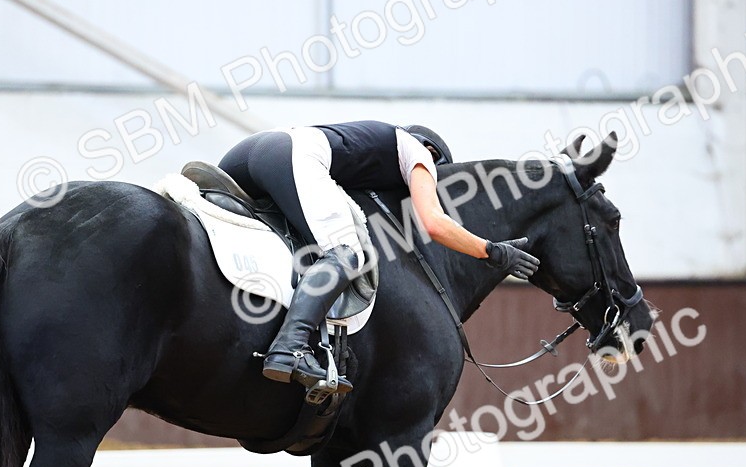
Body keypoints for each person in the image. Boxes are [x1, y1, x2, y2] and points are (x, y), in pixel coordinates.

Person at [217, 120, 540, 393]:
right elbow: (434, 222)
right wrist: (491, 251)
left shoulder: (369, 152)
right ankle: (292, 347)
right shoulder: (419, 155)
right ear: (432, 154)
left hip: (245, 155)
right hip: (292, 155)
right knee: (344, 254)